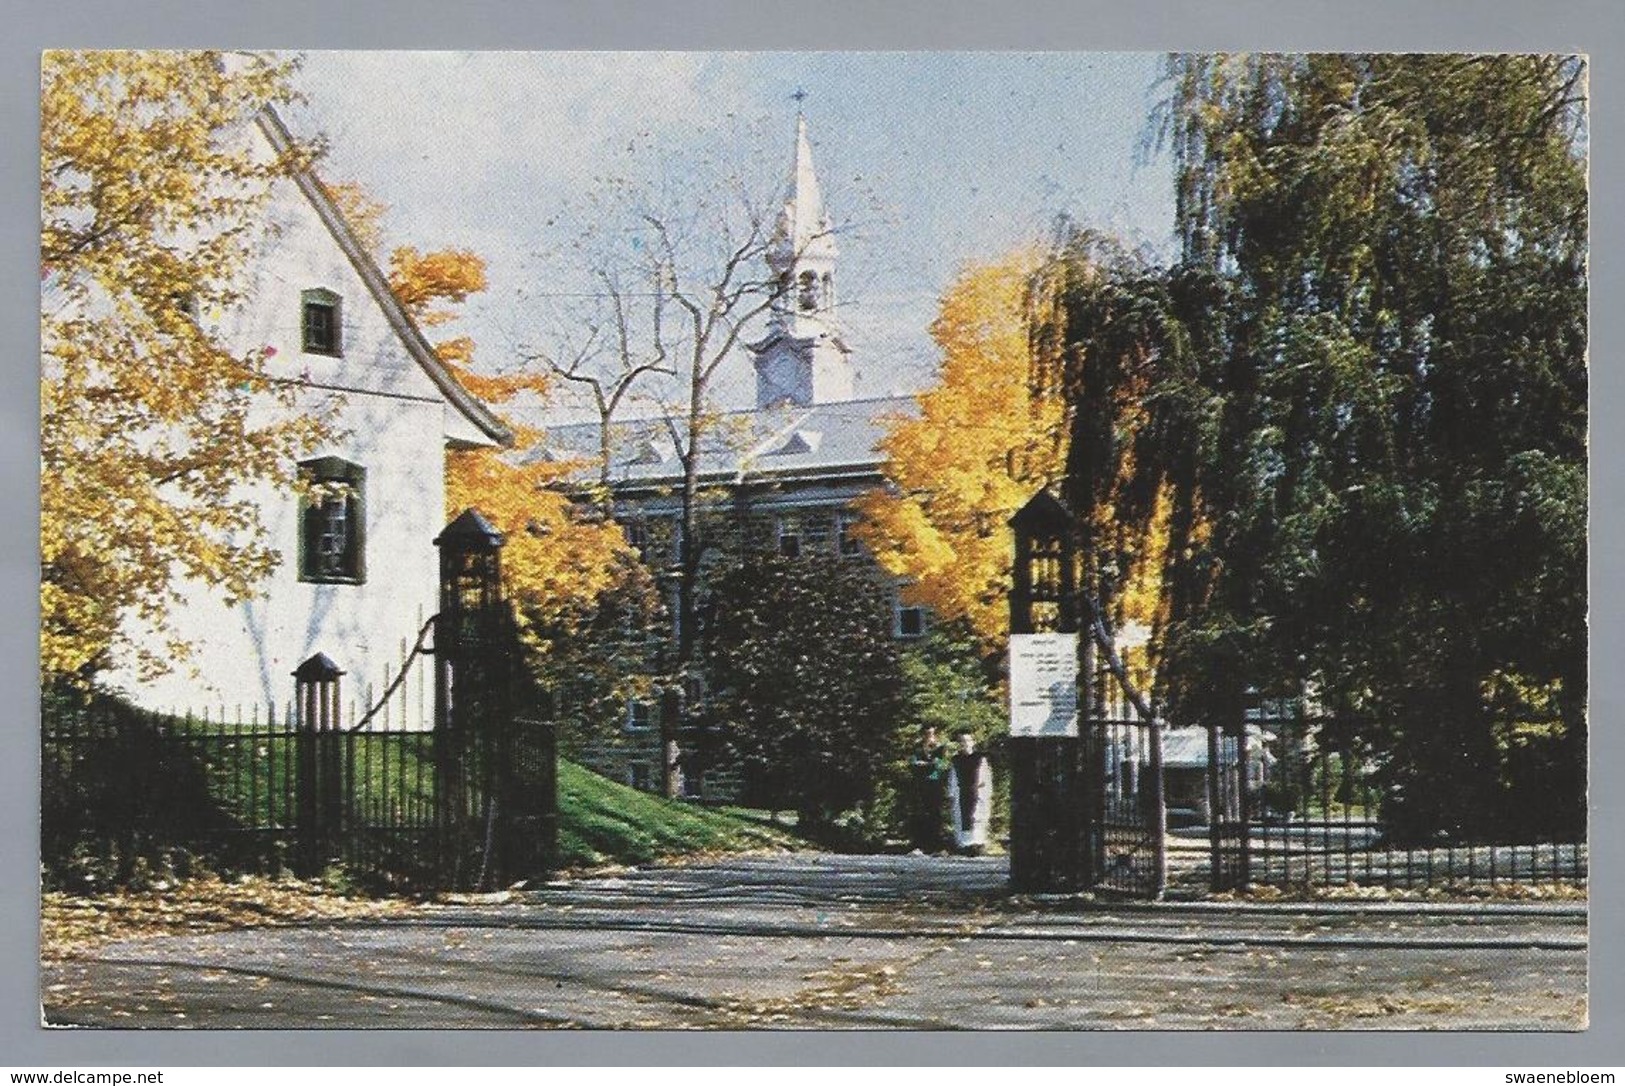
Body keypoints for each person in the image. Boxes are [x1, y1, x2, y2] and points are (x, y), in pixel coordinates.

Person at [946, 730, 993, 855]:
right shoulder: (956, 760)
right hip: (961, 792)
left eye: (967, 740)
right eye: (962, 741)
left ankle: (978, 843)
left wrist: (986, 793)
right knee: (962, 818)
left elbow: (986, 778)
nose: (965, 743)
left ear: (973, 742)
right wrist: (951, 793)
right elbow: (953, 778)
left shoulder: (980, 759)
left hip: (977, 792)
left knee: (977, 817)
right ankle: (964, 844)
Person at [908, 725, 951, 853]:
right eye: (927, 734)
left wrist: (924, 764)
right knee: (920, 813)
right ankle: (920, 843)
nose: (929, 736)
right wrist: (927, 764)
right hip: (920, 784)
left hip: (935, 784)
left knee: (935, 813)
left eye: (931, 733)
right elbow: (913, 763)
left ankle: (936, 844)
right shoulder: (917, 748)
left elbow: (939, 764)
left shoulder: (940, 748)